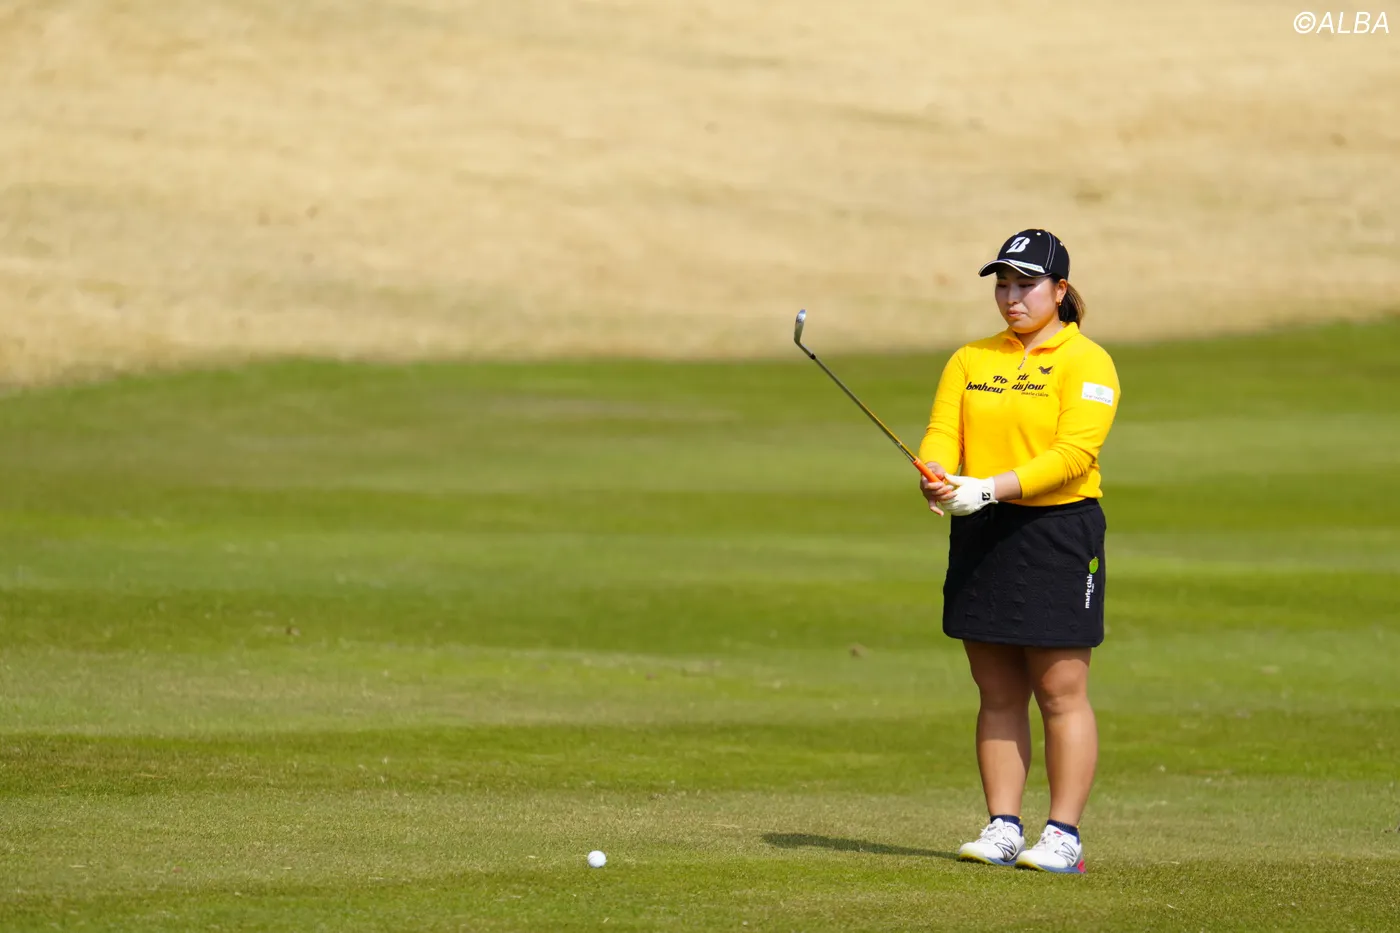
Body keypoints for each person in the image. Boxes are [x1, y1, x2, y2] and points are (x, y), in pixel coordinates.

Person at [917, 229, 1120, 874]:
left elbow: (1073, 456)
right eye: (1003, 284)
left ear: (1060, 290)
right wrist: (937, 475)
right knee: (996, 688)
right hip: (983, 529)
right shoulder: (970, 359)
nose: (1012, 297)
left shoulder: (1088, 362)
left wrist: (987, 487)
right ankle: (1003, 826)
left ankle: (1063, 834)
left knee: (1060, 689)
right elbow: (943, 431)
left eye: (1027, 285)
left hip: (1058, 531)